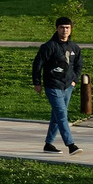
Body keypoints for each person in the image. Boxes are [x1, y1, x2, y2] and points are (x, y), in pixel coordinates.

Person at [32, 16, 84, 154]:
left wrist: (74, 80)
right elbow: (37, 65)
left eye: (67, 28)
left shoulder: (74, 47)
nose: (65, 30)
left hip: (67, 86)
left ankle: (48, 144)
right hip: (52, 85)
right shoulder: (49, 47)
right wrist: (37, 83)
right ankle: (71, 145)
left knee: (57, 115)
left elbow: (79, 64)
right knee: (61, 114)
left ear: (71, 29)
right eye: (62, 28)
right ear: (57, 29)